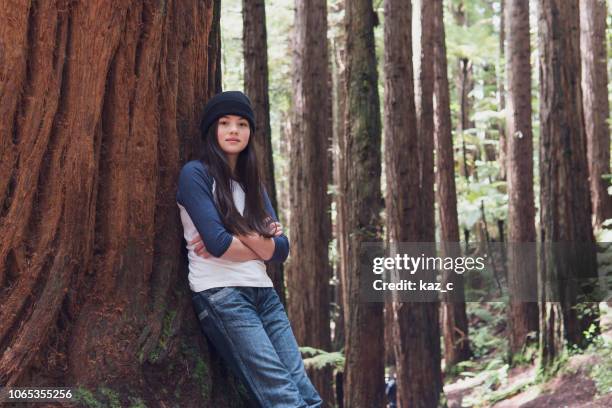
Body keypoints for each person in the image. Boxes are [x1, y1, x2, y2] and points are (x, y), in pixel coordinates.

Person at [177, 91, 322, 408]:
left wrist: (231, 230)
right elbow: (217, 244)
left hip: (265, 294)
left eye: (242, 124)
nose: (233, 130)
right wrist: (259, 238)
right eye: (225, 122)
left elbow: (282, 250)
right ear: (211, 130)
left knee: (306, 394)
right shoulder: (196, 175)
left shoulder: (251, 184)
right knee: (283, 395)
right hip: (222, 295)